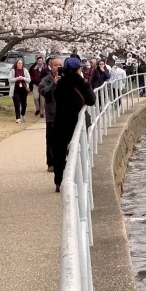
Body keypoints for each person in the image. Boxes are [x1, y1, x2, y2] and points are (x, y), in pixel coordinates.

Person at [51, 58, 95, 192]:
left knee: (59, 152)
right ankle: (76, 180)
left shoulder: (61, 82)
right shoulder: (83, 83)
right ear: (78, 69)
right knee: (77, 150)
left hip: (60, 122)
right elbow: (92, 101)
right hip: (76, 123)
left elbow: (56, 97)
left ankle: (59, 181)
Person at [38, 58, 63, 172]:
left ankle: (63, 161)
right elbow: (43, 92)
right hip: (52, 114)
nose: (58, 67)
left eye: (60, 65)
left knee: (64, 139)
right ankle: (51, 163)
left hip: (64, 113)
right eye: (55, 65)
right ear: (51, 67)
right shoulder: (46, 79)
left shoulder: (66, 78)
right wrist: (54, 83)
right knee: (51, 140)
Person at [8, 59, 31, 123]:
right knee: (17, 103)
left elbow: (29, 80)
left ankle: (22, 114)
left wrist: (23, 78)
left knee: (24, 104)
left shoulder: (25, 70)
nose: (20, 64)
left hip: (23, 88)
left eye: (21, 63)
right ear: (16, 64)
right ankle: (18, 118)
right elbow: (9, 80)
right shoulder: (13, 71)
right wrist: (17, 78)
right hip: (16, 88)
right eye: (19, 63)